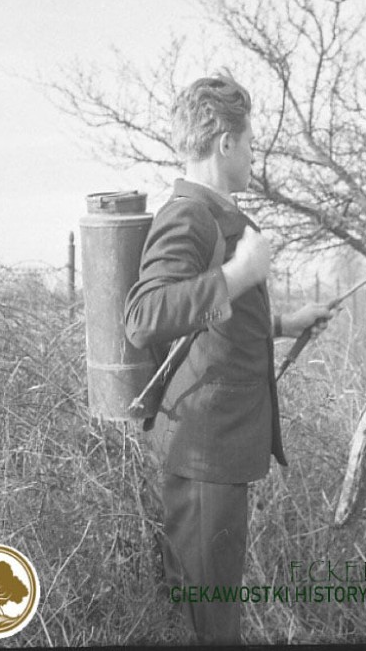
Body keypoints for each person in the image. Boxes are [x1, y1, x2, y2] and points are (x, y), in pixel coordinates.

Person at [124, 72, 332, 645]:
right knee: (211, 622)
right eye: (249, 143)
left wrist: (285, 324)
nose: (252, 155)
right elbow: (145, 317)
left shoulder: (214, 215)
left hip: (215, 450)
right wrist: (240, 273)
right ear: (225, 143)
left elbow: (211, 323)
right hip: (203, 452)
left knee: (209, 608)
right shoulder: (187, 215)